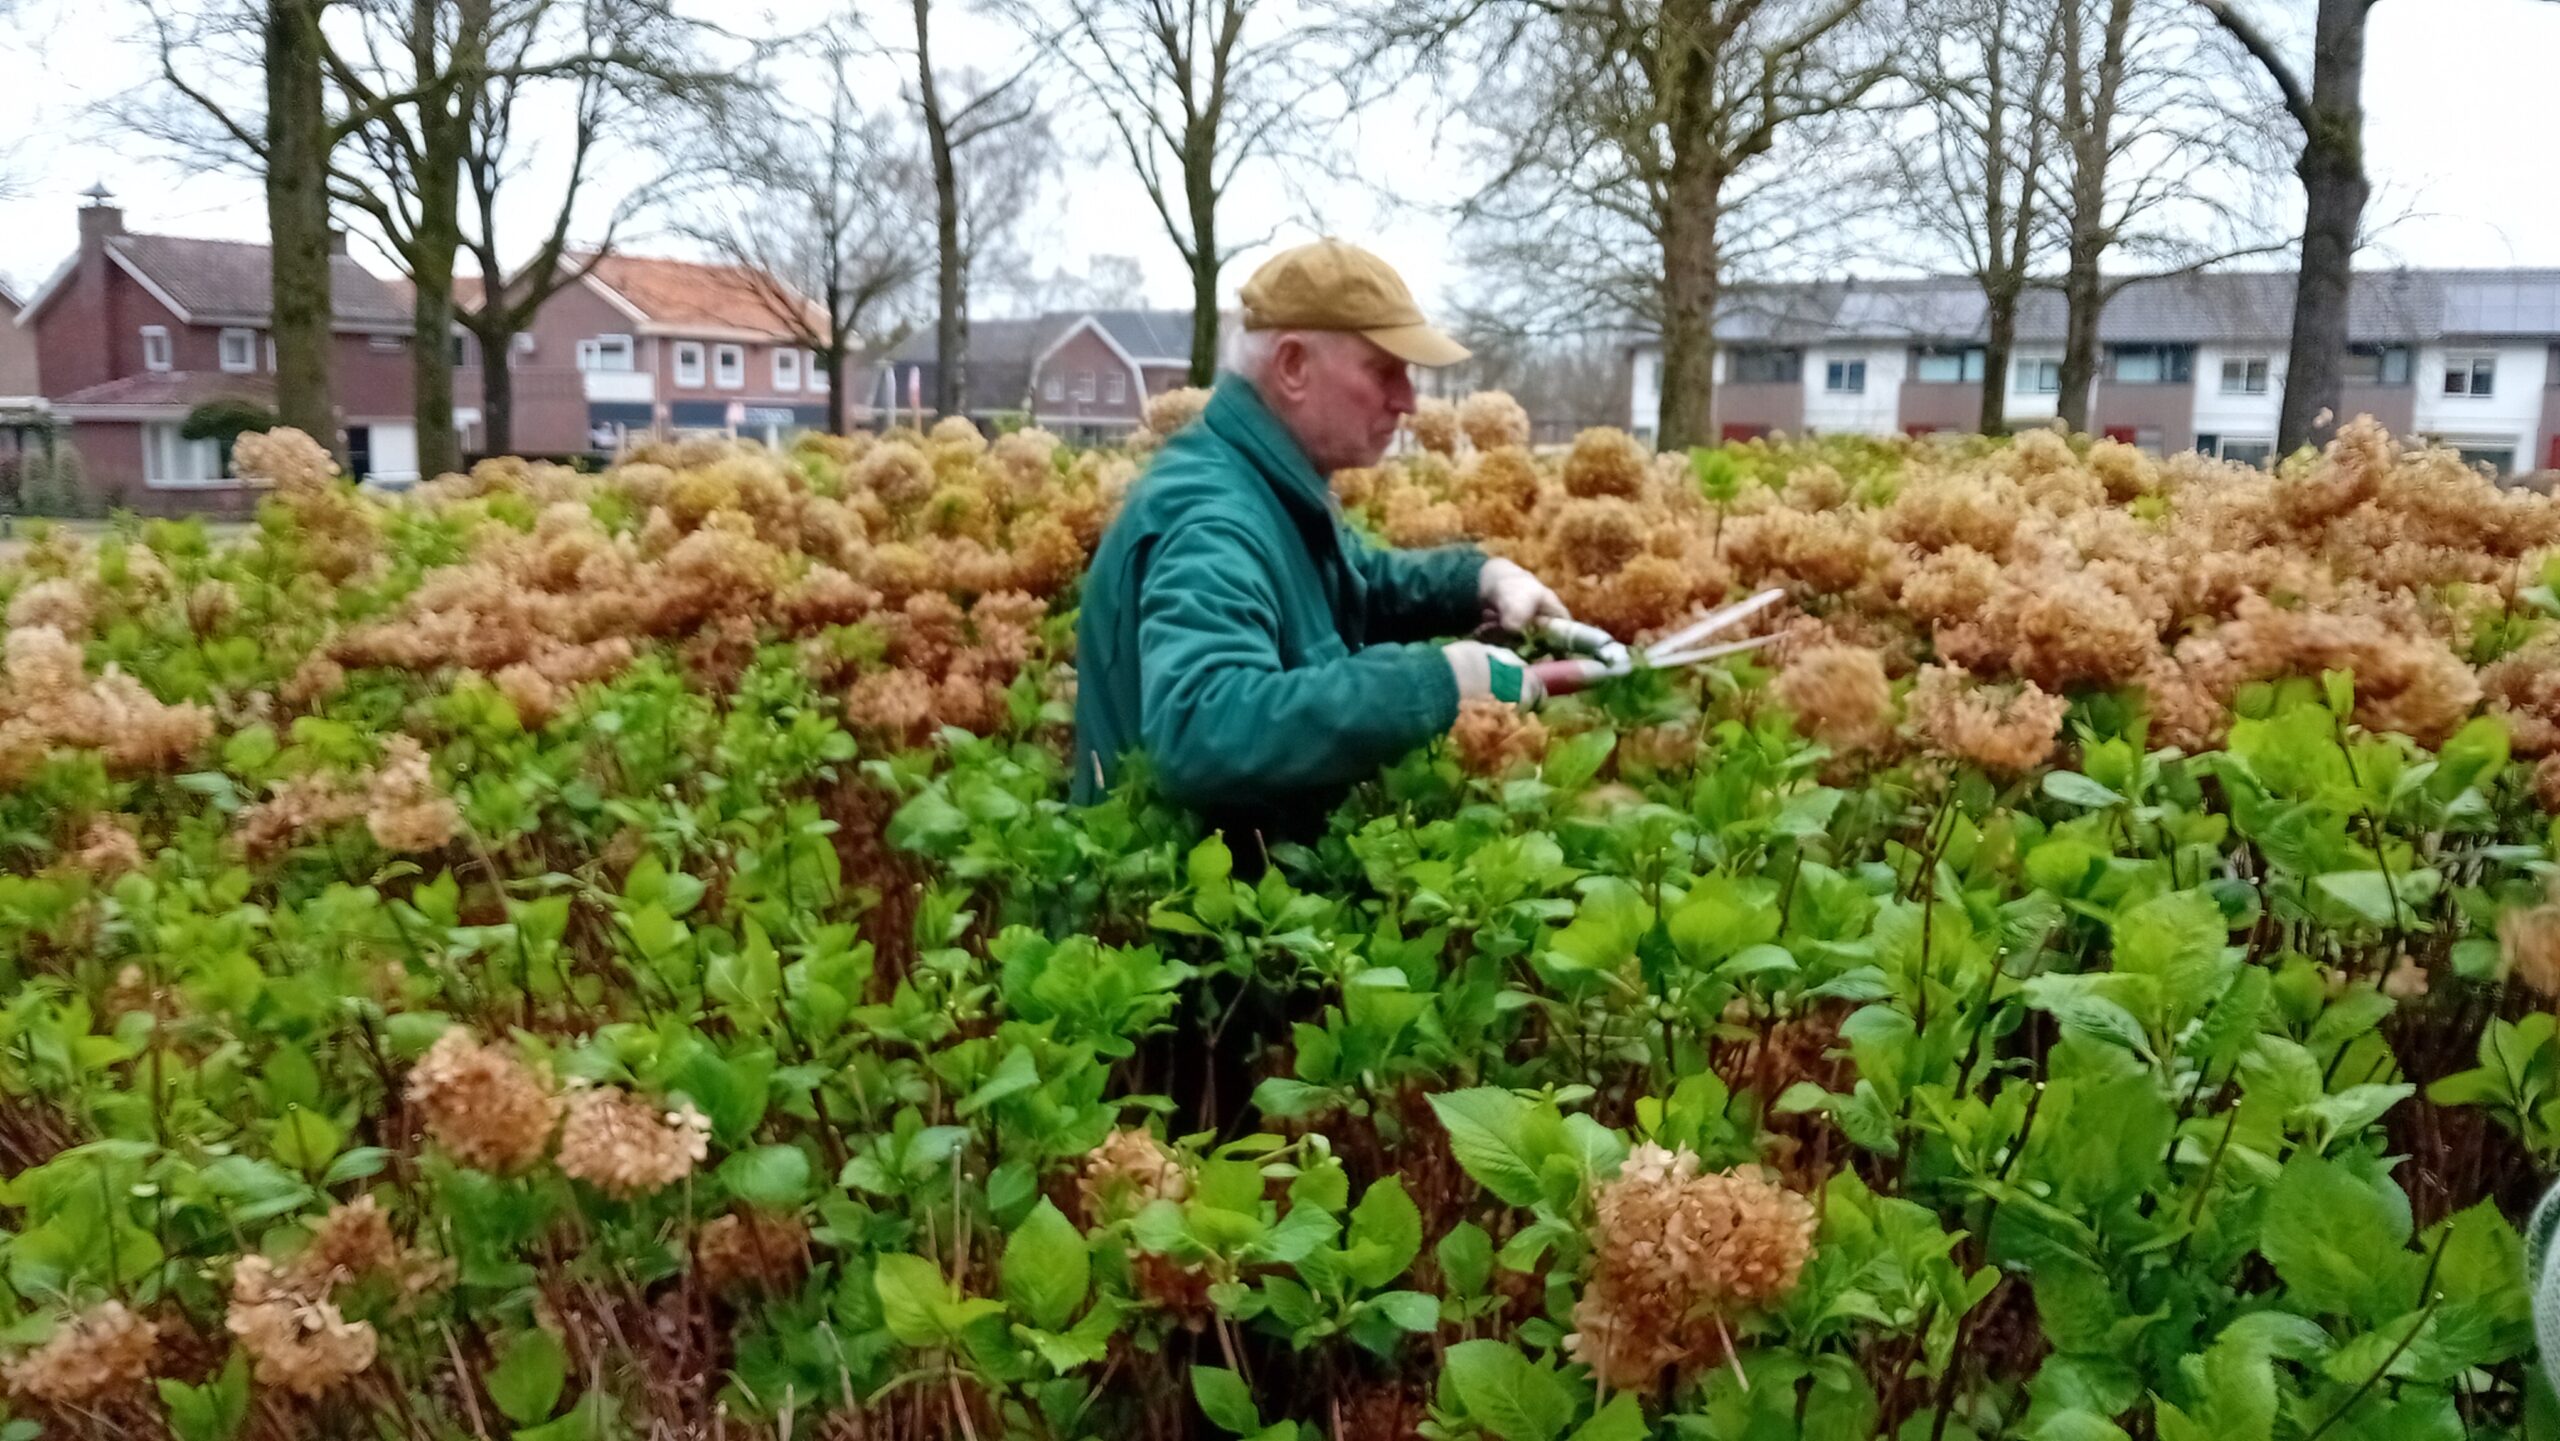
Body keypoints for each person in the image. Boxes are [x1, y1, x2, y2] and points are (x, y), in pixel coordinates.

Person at [1072, 238, 1573, 849]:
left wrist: (1483, 579)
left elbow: (1359, 579)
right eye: (1384, 370)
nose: (1409, 402)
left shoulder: (1265, 482)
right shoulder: (1213, 517)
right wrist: (1437, 684)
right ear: (1292, 367)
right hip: (1182, 918)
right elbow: (1201, 725)